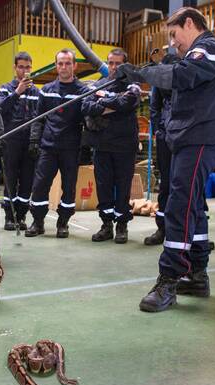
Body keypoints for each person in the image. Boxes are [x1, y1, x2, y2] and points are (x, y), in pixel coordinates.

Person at [117, 7, 215, 312]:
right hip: (188, 138)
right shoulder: (195, 53)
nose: (173, 41)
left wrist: (141, 73)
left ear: (189, 23)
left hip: (199, 140)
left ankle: (169, 279)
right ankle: (197, 273)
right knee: (193, 204)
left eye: (174, 33)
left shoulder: (209, 49)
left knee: (179, 204)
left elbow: (183, 75)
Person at [25, 48, 89, 239]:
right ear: (56, 66)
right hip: (48, 146)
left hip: (71, 147)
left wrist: (86, 145)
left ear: (74, 66)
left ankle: (63, 224)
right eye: (60, 63)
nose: (63, 67)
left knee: (69, 187)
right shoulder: (46, 91)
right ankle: (37, 222)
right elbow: (38, 118)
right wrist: (34, 140)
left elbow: (88, 118)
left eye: (67, 63)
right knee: (40, 185)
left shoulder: (83, 91)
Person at [81, 48, 140, 244]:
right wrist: (111, 105)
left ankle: (122, 225)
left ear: (125, 64)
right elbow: (86, 107)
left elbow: (128, 102)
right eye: (111, 63)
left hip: (124, 145)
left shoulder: (133, 85)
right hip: (102, 145)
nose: (114, 67)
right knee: (103, 187)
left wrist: (103, 104)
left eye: (118, 63)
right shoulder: (97, 84)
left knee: (123, 187)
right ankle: (106, 225)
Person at [0, 52, 40, 230]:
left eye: (28, 67)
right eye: (21, 67)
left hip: (30, 142)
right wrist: (17, 93)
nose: (24, 70)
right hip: (11, 141)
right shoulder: (5, 89)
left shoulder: (37, 93)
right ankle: (9, 217)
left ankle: (21, 217)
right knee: (10, 180)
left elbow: (39, 117)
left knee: (27, 181)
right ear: (15, 68)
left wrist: (36, 140)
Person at [144, 52, 180, 246]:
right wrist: (159, 130)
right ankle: (162, 228)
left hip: (185, 139)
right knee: (166, 184)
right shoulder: (159, 83)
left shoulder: (187, 80)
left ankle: (192, 231)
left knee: (188, 185)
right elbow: (154, 108)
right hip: (166, 138)